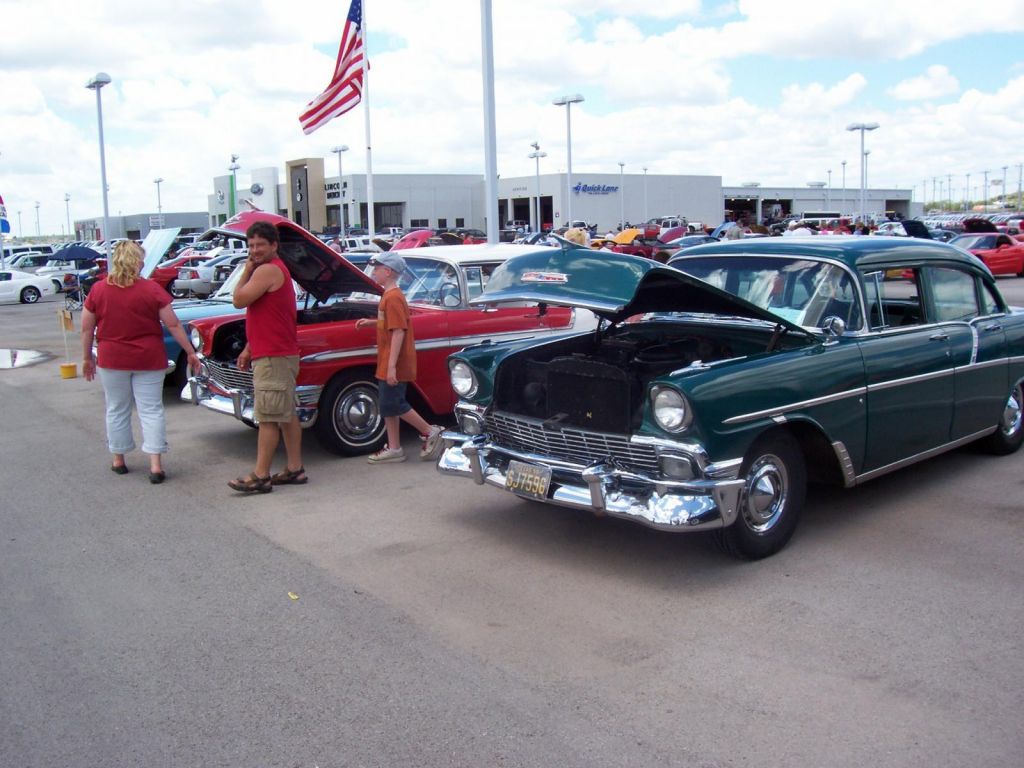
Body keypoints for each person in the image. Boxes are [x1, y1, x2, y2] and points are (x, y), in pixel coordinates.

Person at [80, 240, 200, 484]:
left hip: (112, 358)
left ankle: (119, 459)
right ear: (138, 262)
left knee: (116, 408)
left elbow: (86, 328)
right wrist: (190, 351)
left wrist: (86, 358)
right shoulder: (152, 290)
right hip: (149, 358)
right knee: (151, 410)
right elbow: (173, 324)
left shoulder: (98, 290)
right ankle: (155, 465)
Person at [227, 221, 306, 494]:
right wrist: (250, 347)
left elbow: (238, 300)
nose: (254, 250)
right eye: (250, 245)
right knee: (285, 414)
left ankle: (261, 475)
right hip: (277, 353)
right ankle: (295, 469)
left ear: (274, 245)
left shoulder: (267, 270)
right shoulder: (274, 270)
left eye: (260, 245)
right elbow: (268, 317)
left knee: (269, 417)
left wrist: (247, 269)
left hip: (274, 357)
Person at [354, 252, 443, 464]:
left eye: (377, 268)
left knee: (394, 402)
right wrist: (372, 322)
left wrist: (392, 366)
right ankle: (394, 447)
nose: (374, 272)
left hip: (393, 361)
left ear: (388, 271)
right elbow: (391, 323)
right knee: (387, 404)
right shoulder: (390, 295)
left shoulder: (393, 297)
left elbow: (398, 330)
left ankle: (430, 431)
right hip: (388, 360)